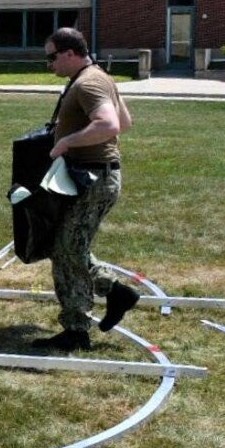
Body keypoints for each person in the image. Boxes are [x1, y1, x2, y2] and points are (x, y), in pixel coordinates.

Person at [40, 27, 139, 351]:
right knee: (66, 246)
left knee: (69, 246)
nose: (49, 64)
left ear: (70, 53)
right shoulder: (99, 76)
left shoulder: (89, 82)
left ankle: (113, 294)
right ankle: (77, 327)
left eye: (52, 57)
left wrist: (67, 141)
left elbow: (110, 125)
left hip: (94, 179)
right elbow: (125, 122)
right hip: (91, 176)